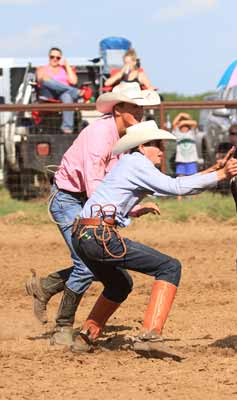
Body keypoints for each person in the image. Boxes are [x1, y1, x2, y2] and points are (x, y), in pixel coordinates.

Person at [68, 121, 237, 353]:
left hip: (83, 234)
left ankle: (86, 336)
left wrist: (213, 170)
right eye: (155, 144)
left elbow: (173, 186)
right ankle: (150, 336)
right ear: (140, 147)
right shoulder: (137, 163)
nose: (161, 149)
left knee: (119, 285)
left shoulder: (130, 163)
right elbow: (176, 187)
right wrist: (221, 174)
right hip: (99, 236)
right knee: (169, 267)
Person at [25, 82, 160, 346]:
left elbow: (112, 184)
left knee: (93, 260)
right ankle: (62, 327)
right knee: (87, 262)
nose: (140, 112)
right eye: (135, 107)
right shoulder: (100, 135)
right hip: (69, 200)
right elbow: (95, 183)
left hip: (82, 200)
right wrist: (110, 217)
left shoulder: (121, 138)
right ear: (118, 108)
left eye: (141, 108)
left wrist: (130, 208)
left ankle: (46, 287)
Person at [36, 47, 81, 134]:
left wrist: (67, 66)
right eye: (52, 57)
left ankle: (67, 128)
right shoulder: (42, 68)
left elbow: (74, 81)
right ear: (49, 57)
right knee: (45, 79)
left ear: (61, 58)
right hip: (49, 94)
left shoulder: (64, 69)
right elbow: (40, 79)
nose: (55, 59)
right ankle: (74, 91)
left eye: (58, 58)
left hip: (63, 94)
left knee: (67, 97)